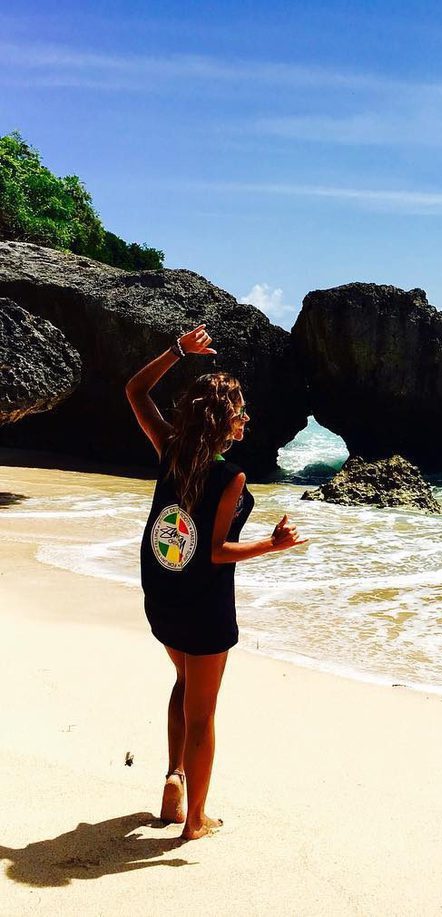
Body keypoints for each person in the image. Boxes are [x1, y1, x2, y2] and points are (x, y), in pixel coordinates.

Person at [125, 323, 307, 840]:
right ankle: (196, 821)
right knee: (202, 713)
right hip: (204, 606)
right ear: (223, 420)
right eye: (240, 411)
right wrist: (273, 545)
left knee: (183, 685)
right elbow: (217, 551)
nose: (247, 417)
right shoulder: (230, 477)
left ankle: (174, 779)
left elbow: (135, 390)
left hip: (161, 595)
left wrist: (177, 351)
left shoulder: (171, 450)